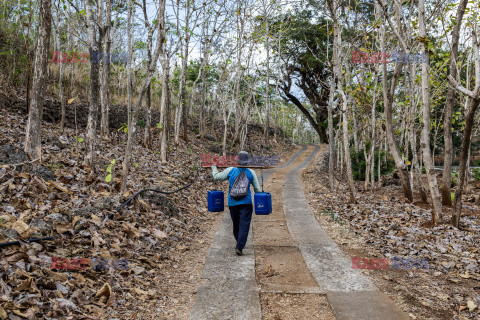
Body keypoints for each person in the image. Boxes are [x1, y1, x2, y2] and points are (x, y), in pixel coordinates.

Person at [211, 151, 261, 256]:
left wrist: (213, 166)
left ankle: (239, 241)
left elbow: (216, 177)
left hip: (232, 202)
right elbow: (257, 189)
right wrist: (262, 197)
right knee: (244, 225)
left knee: (236, 224)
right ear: (247, 162)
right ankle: (240, 245)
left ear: (237, 160)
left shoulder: (230, 170)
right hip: (246, 202)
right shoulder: (251, 172)